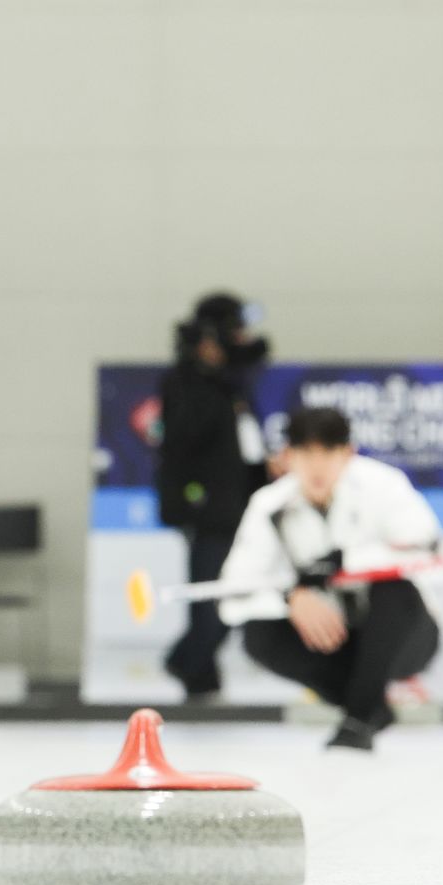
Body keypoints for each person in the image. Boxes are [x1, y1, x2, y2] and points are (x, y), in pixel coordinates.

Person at [218, 408, 442, 752]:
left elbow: (428, 556)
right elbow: (232, 597)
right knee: (259, 634)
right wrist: (290, 598)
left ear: (348, 453)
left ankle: (359, 715)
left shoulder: (384, 486)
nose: (317, 466)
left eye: (328, 452)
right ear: (287, 457)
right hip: (337, 639)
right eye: (306, 453)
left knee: (393, 589)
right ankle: (367, 710)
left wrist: (348, 562)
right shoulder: (269, 505)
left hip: (405, 637)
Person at [153, 292, 270, 700]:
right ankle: (191, 667)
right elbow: (185, 444)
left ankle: (196, 668)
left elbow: (241, 448)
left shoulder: (232, 386)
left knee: (238, 596)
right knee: (211, 598)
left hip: (241, 508)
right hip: (207, 512)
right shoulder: (186, 384)